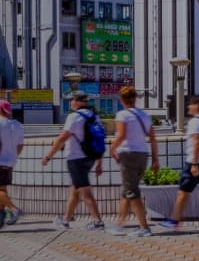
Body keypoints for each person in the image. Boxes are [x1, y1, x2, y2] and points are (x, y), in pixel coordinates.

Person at [42, 90, 104, 229]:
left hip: (76, 158)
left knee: (85, 191)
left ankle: (97, 221)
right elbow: (99, 139)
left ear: (76, 101)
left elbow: (62, 138)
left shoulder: (74, 117)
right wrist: (99, 162)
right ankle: (66, 220)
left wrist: (48, 156)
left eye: (72, 100)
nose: (71, 102)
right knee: (75, 189)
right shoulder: (94, 116)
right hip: (90, 157)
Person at [158, 95, 199, 231]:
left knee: (183, 191)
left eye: (191, 104)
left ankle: (174, 220)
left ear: (197, 105)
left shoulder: (194, 122)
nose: (188, 106)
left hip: (197, 162)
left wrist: (194, 164)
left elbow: (197, 142)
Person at [106, 87, 159, 237]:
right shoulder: (144, 115)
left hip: (128, 155)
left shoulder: (122, 115)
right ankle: (120, 224)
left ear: (122, 99)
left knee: (132, 192)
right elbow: (153, 139)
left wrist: (112, 149)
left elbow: (121, 135)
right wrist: (156, 159)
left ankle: (144, 227)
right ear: (135, 98)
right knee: (127, 190)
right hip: (143, 155)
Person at [0, 99, 24, 228]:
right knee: (2, 190)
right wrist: (12, 157)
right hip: (10, 162)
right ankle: (0, 217)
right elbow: (20, 146)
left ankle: (14, 209)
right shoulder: (17, 124)